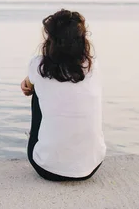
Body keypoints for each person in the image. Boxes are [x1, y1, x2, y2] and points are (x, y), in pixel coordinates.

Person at [20, 9, 106, 181]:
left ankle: (45, 146)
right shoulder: (92, 65)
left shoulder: (39, 65)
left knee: (38, 91)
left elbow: (26, 85)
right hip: (92, 166)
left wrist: (32, 85)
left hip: (47, 168)